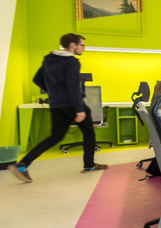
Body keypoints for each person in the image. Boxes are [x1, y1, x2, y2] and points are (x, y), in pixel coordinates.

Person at [10, 33, 107, 183]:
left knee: (55, 136)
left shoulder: (49, 60)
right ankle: (89, 165)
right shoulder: (72, 62)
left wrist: (54, 92)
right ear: (73, 45)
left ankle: (22, 164)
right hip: (71, 104)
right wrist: (79, 109)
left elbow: (37, 79)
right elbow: (73, 87)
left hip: (56, 104)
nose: (83, 48)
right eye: (82, 45)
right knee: (89, 133)